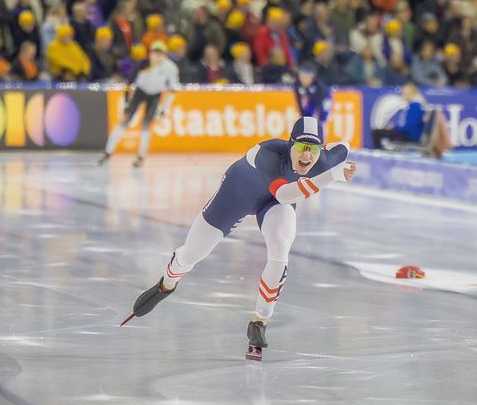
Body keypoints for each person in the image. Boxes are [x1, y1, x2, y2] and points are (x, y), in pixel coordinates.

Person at [122, 117, 357, 361]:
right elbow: (285, 194)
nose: (307, 155)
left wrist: (333, 162)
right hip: (237, 194)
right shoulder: (268, 154)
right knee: (191, 254)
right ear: (290, 144)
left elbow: (344, 147)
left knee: (280, 250)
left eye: (314, 149)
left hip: (273, 204)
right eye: (301, 147)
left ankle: (259, 321)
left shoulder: (324, 159)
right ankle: (167, 284)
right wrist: (332, 176)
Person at [98, 40, 180, 168]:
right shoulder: (143, 64)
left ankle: (141, 156)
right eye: (155, 53)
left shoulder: (170, 67)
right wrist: (126, 101)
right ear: (150, 53)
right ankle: (108, 151)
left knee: (146, 126)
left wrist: (165, 108)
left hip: (155, 95)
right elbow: (129, 83)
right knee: (125, 121)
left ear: (165, 54)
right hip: (140, 92)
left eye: (160, 53)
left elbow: (173, 89)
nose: (157, 56)